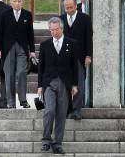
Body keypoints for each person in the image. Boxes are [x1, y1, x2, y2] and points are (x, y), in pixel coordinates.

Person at [38, 17, 78, 154]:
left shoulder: (71, 44)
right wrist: (39, 86)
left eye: (56, 29)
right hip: (49, 83)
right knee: (49, 110)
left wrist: (75, 84)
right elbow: (40, 67)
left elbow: (75, 66)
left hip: (65, 83)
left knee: (61, 114)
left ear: (61, 29)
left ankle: (57, 143)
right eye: (52, 30)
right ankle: (46, 140)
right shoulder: (45, 45)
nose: (54, 32)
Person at [0, 0, 35, 108]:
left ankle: (23, 100)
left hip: (22, 48)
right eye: (14, 1)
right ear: (10, 2)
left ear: (22, 2)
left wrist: (32, 50)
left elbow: (30, 34)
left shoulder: (27, 14)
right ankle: (11, 102)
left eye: (19, 1)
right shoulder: (5, 14)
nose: (17, 3)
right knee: (9, 75)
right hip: (8, 48)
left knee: (22, 72)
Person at [60, 0, 92, 120]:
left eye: (71, 7)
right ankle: (67, 109)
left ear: (75, 5)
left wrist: (88, 55)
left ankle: (77, 110)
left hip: (80, 56)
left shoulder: (85, 18)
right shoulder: (61, 19)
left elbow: (88, 39)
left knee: (79, 84)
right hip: (64, 58)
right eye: (66, 8)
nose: (69, 10)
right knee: (66, 84)